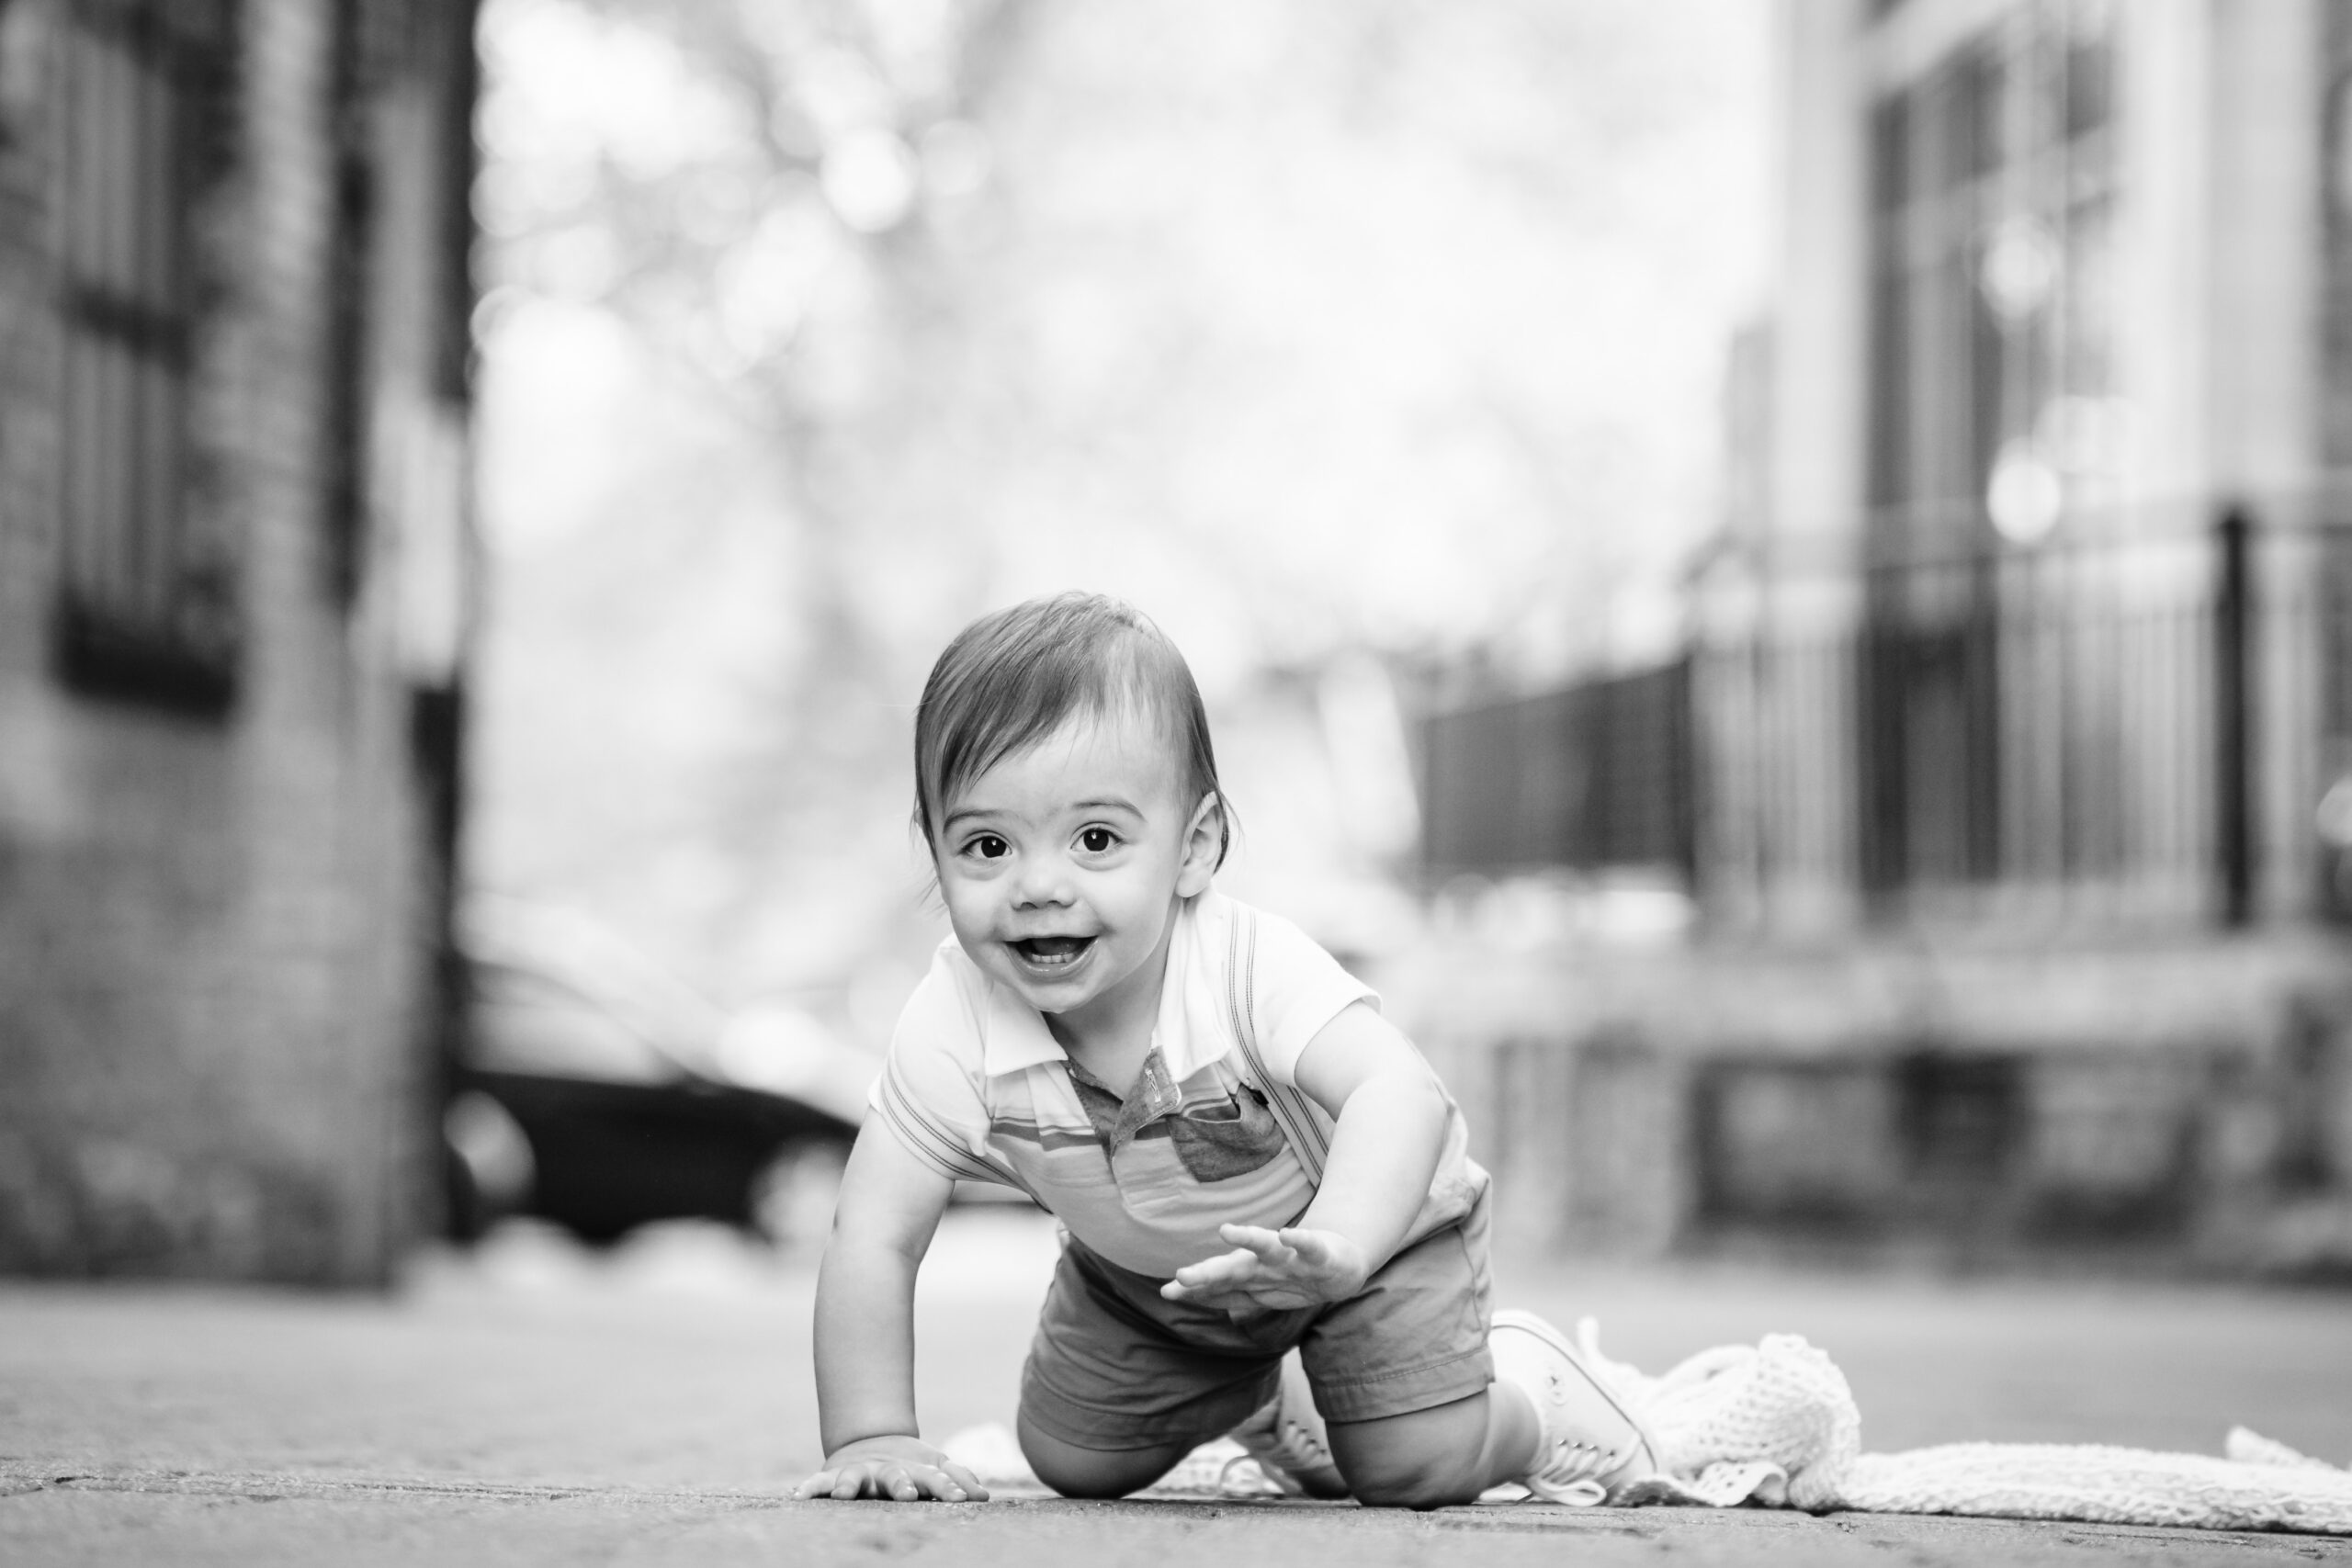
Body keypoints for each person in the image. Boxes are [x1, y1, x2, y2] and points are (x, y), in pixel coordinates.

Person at [792, 592, 1657, 1508]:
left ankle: (1536, 1405)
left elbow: (1400, 1092)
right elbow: (873, 1233)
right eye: (988, 845)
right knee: (1075, 1462)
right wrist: (871, 1433)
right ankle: (1267, 1395)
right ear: (936, 852)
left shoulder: (1243, 965)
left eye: (1095, 840)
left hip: (1372, 1235)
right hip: (1158, 1282)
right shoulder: (950, 1021)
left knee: (1413, 1470)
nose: (1037, 886)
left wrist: (1340, 1242)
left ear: (1193, 847)